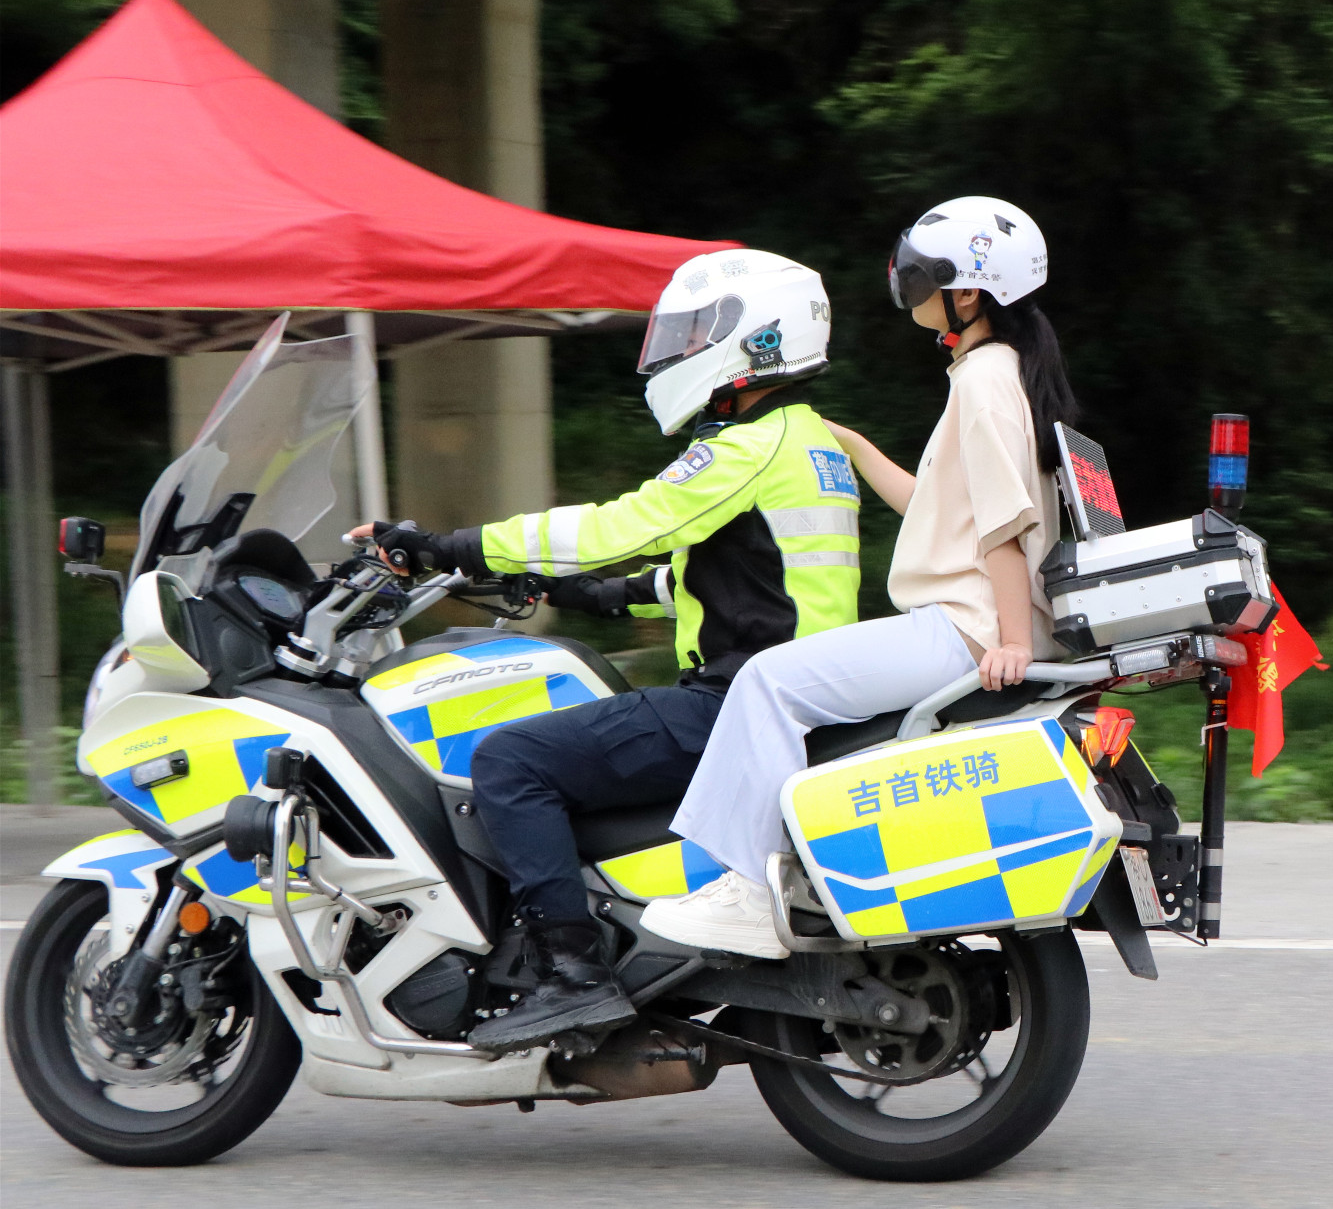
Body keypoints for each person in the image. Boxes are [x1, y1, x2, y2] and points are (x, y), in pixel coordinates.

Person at [353, 249, 861, 1051]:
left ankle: (572, 974)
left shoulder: (743, 445)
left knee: (511, 762)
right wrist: (583, 593)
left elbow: (615, 526)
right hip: (788, 690)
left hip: (736, 704)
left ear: (754, 336)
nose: (678, 349)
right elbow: (747, 580)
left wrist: (444, 547)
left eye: (698, 330)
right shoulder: (804, 441)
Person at [640, 197, 1078, 959]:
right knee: (783, 689)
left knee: (767, 683)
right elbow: (942, 509)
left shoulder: (981, 381)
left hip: (961, 626)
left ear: (966, 293)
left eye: (917, 275)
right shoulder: (999, 372)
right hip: (968, 618)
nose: (905, 287)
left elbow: (1007, 521)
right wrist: (853, 446)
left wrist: (1009, 639)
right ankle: (788, 873)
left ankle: (754, 886)